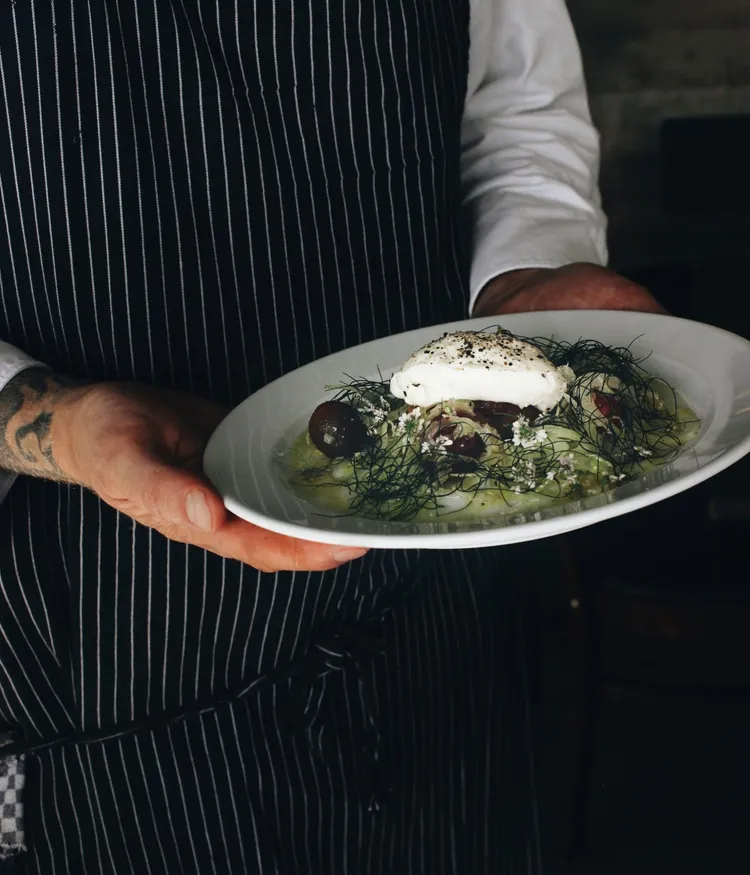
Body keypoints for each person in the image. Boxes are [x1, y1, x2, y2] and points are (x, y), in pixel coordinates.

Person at [0, 0, 663, 872]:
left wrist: (524, 274)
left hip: (440, 613)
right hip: (111, 671)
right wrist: (49, 421)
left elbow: (515, 107)